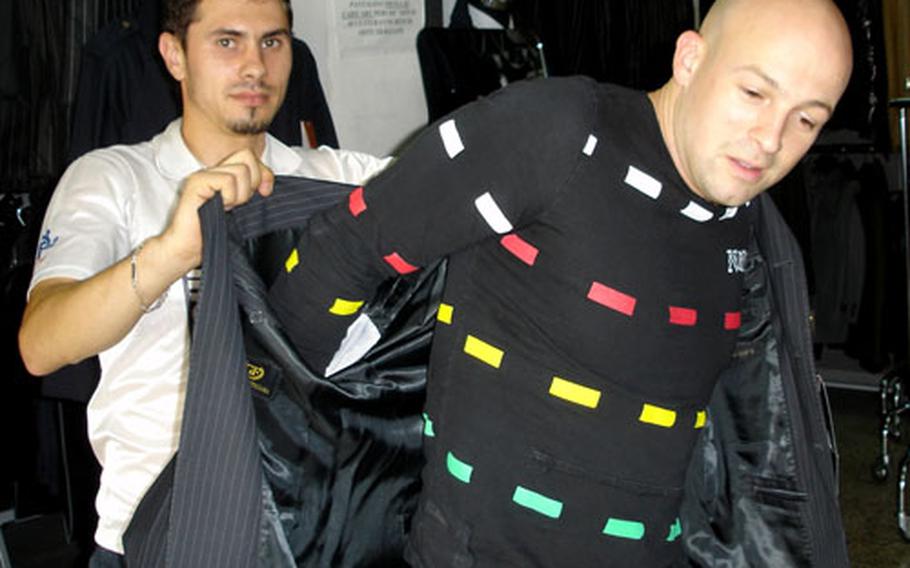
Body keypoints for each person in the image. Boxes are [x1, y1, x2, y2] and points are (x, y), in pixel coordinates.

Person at [266, 0, 854, 565]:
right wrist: (271, 476)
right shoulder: (557, 132)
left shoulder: (749, 220)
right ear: (690, 59)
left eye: (806, 119)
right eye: (754, 93)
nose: (771, 139)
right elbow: (342, 252)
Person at [17, 0, 388, 563]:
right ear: (174, 55)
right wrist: (171, 253)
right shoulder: (113, 178)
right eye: (226, 42)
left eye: (273, 42)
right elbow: (42, 344)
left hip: (314, 535)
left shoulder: (343, 179)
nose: (255, 67)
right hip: (159, 531)